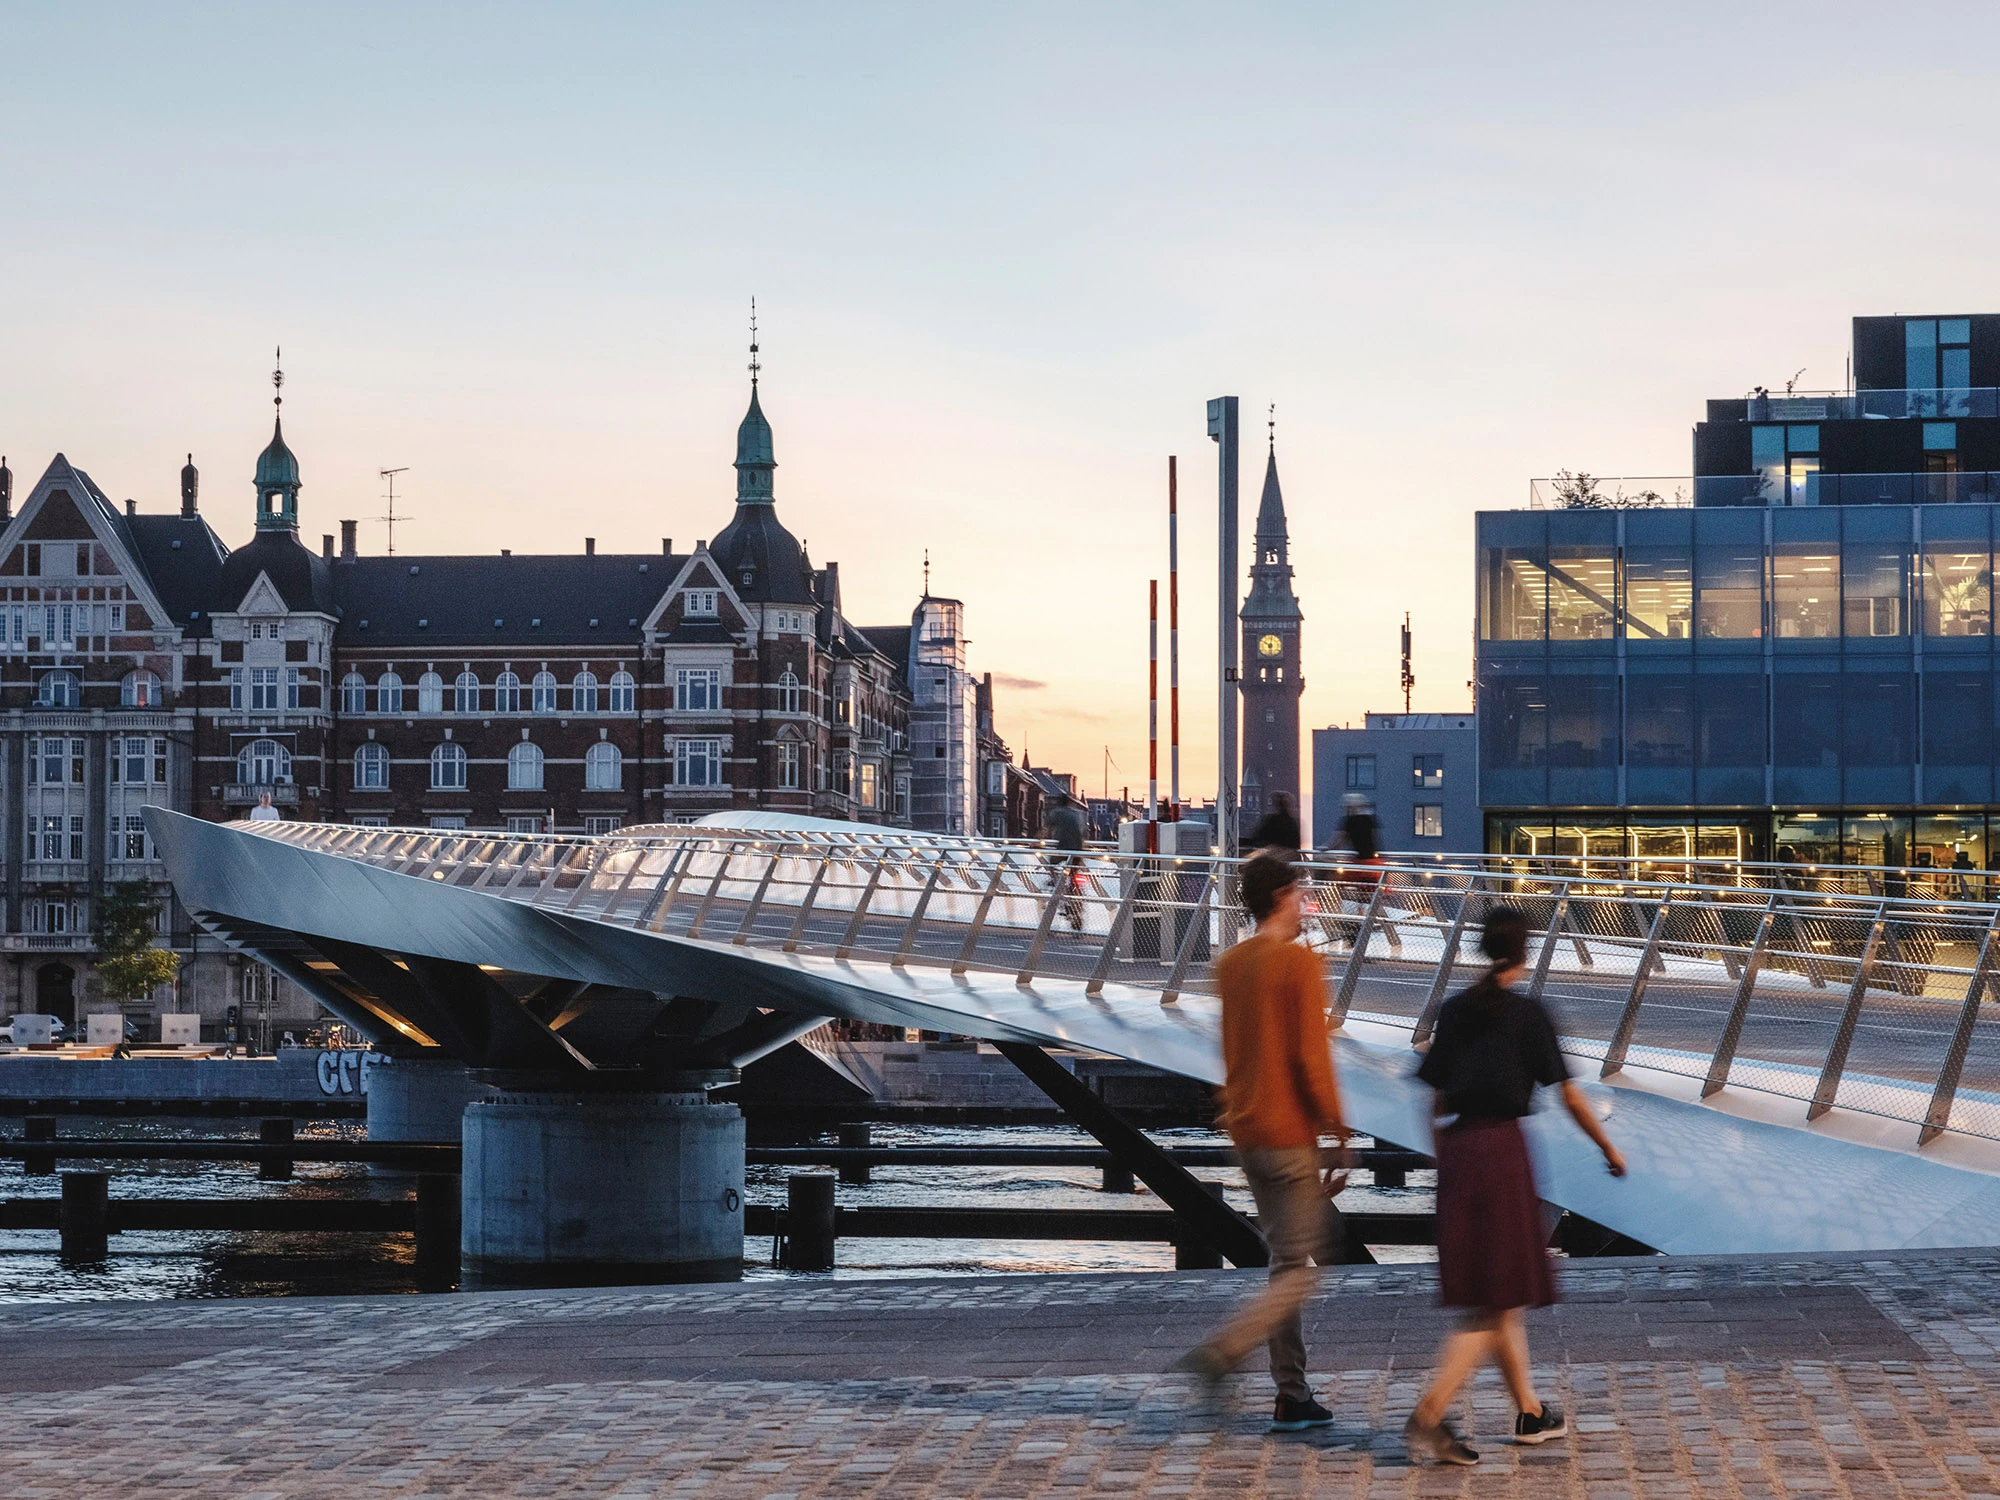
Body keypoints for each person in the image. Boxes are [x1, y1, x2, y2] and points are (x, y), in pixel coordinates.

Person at [1403, 907, 1626, 1466]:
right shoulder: (1529, 1015)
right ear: (1524, 953)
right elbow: (1570, 1096)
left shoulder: (1453, 1011)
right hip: (1503, 1155)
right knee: (1494, 1300)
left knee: (1499, 1296)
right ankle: (1429, 1414)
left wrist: (1444, 1155)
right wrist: (1607, 1147)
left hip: (1460, 1151)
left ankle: (1529, 1411)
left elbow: (1432, 1100)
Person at [1174, 849, 1348, 1432]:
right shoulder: (1297, 964)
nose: (1307, 903)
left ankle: (1291, 1396)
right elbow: (1309, 1059)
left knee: (1284, 1263)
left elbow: (1237, 1049)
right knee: (1302, 1272)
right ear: (1280, 897)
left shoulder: (1231, 964)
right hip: (1288, 1132)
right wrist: (1339, 1132)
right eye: (1301, 893)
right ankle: (1224, 1352)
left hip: (1245, 1129)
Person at [1044, 792, 1087, 931]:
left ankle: (1055, 881)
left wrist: (1038, 841)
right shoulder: (1077, 814)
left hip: (1063, 849)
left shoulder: (1057, 813)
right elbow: (1084, 832)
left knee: (1051, 863)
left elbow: (1046, 829)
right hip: (1077, 851)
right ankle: (1075, 897)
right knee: (1074, 873)